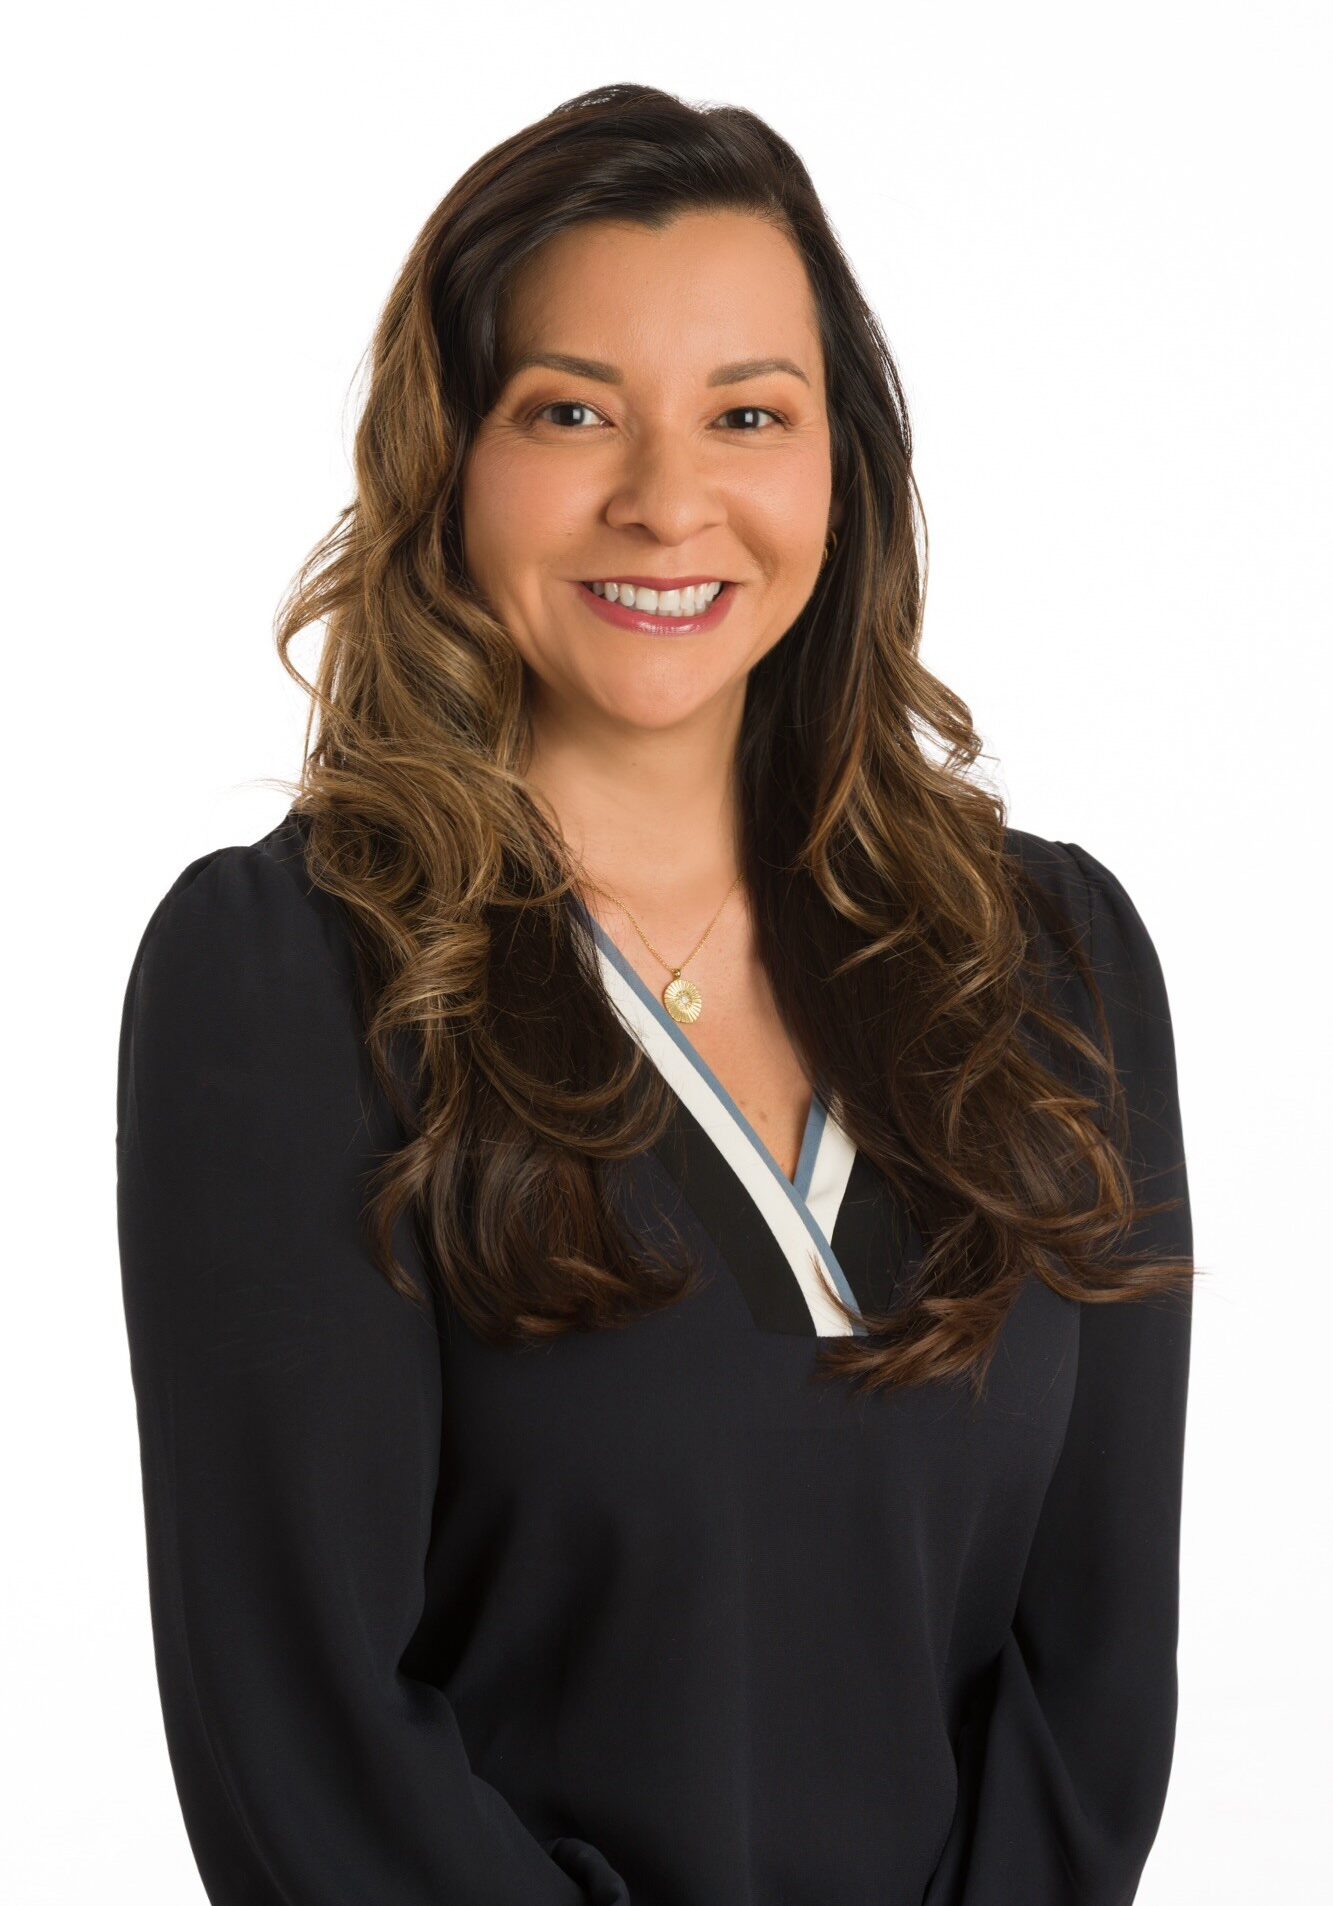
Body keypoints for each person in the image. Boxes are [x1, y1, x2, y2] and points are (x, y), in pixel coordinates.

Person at [116, 82, 1195, 1906]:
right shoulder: (287, 983)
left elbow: (1093, 1682)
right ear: (449, 456)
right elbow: (301, 1737)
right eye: (570, 411)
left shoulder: (1053, 966)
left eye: (746, 414)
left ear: (836, 465)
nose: (666, 498)